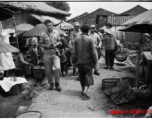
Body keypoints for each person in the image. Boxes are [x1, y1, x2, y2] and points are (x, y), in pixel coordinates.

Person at [73, 24, 98, 100]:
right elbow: (93, 52)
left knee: (81, 76)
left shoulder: (76, 38)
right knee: (88, 76)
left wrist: (74, 60)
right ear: (88, 31)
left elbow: (74, 51)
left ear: (81, 30)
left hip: (79, 61)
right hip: (88, 61)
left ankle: (82, 89)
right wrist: (95, 61)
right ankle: (85, 91)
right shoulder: (90, 39)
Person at [39, 19, 62, 92]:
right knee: (48, 71)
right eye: (48, 25)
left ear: (52, 25)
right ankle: (51, 83)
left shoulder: (56, 32)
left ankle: (57, 83)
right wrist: (48, 46)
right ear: (46, 26)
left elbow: (59, 41)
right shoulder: (43, 34)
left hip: (55, 52)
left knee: (57, 68)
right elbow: (40, 44)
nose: (50, 27)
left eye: (51, 25)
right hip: (47, 53)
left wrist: (57, 44)